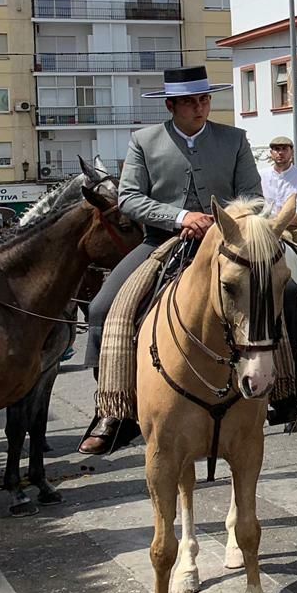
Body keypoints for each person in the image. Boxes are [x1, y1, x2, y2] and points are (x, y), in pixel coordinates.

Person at [78, 66, 265, 455]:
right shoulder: (143, 141)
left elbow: (253, 194)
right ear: (171, 106)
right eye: (191, 102)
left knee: (288, 290)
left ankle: (281, 391)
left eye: (205, 100)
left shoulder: (234, 139)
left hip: (226, 243)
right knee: (102, 308)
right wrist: (180, 217)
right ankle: (114, 407)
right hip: (162, 242)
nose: (200, 108)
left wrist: (221, 222)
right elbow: (129, 198)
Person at [260, 135, 297, 231]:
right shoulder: (261, 175)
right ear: (271, 153)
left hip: (293, 228)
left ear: (292, 152)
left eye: (284, 149)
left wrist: (279, 223)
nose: (280, 153)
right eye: (276, 149)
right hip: (264, 228)